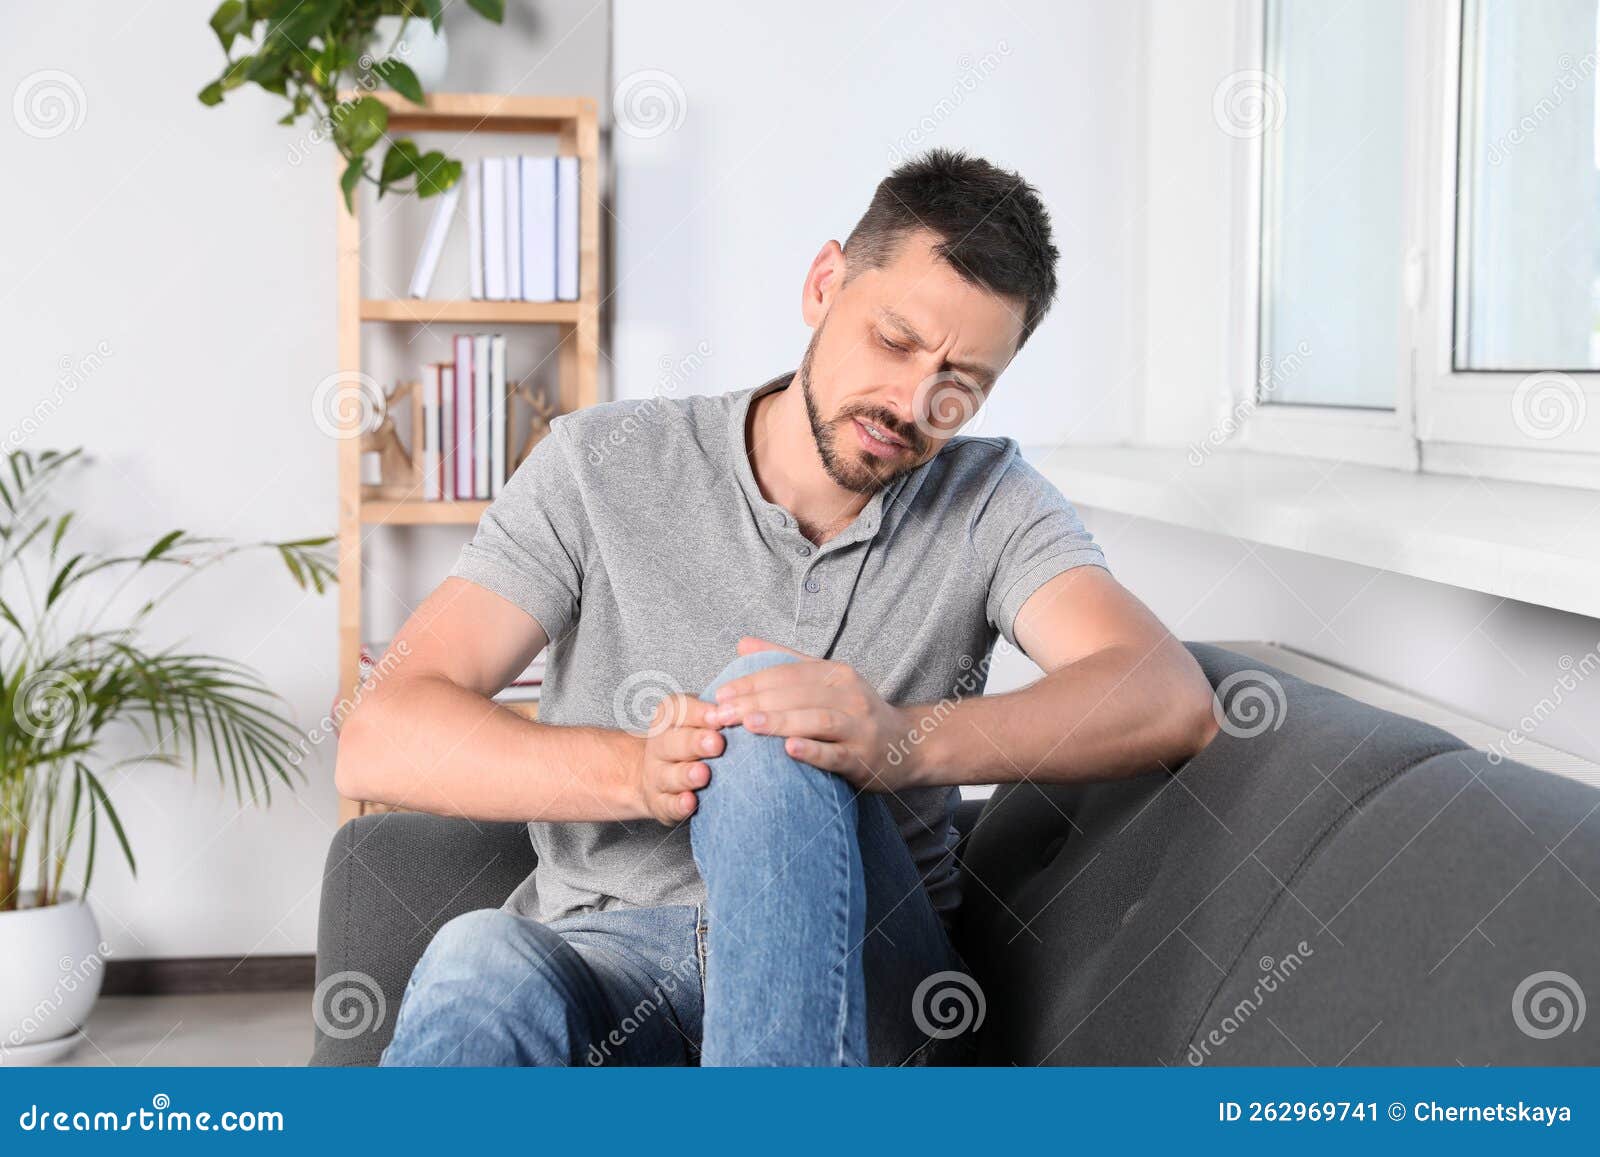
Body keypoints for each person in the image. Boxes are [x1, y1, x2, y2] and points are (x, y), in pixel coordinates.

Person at [338, 148, 1219, 1067]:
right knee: (476, 954)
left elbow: (1166, 692)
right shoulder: (601, 464)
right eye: (895, 340)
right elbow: (382, 733)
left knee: (766, 709)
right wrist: (640, 772)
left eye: (963, 380)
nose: (914, 401)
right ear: (823, 282)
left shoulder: (991, 500)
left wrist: (895, 739)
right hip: (604, 967)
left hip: (864, 985)